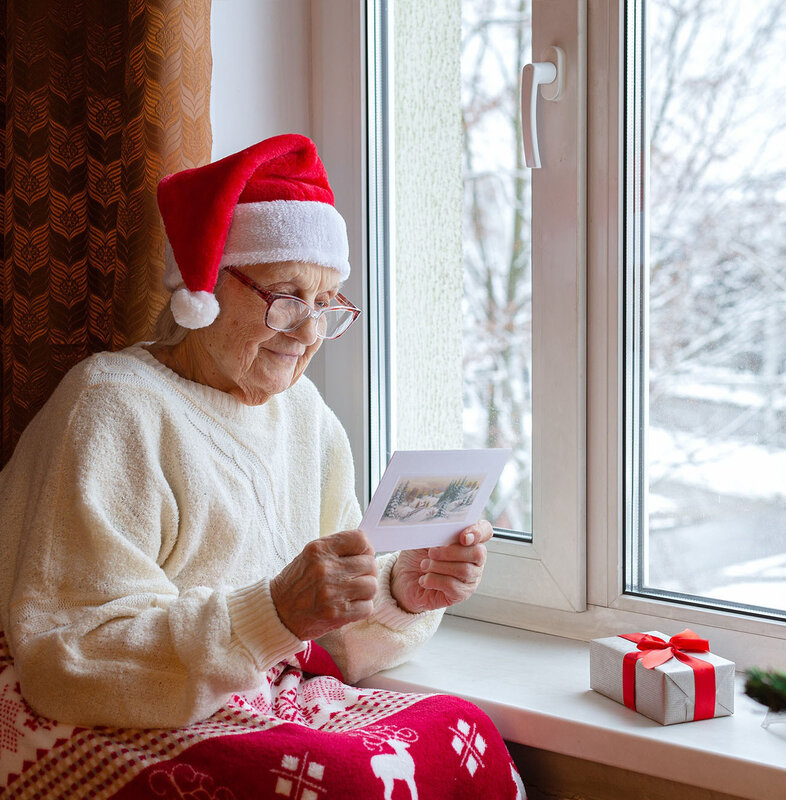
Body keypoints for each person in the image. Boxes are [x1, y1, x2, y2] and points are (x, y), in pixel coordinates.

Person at [0, 134, 525, 799]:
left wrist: (400, 591)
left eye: (328, 304)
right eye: (287, 298)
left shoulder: (303, 414)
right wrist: (272, 612)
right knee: (343, 786)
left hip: (258, 696)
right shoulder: (110, 406)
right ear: (207, 289)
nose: (308, 332)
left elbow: (322, 630)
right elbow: (69, 657)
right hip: (97, 712)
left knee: (466, 731)